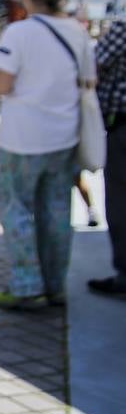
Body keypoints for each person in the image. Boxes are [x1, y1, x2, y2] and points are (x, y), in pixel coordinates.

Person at [0, 0, 95, 310]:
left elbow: (2, 85)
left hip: (22, 138)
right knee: (57, 211)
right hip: (64, 136)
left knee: (16, 208)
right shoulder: (77, 32)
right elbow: (89, 81)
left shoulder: (20, 33)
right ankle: (55, 285)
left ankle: (26, 284)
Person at [90, 16, 126, 297]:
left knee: (120, 201)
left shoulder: (123, 27)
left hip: (122, 127)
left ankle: (124, 274)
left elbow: (93, 67)